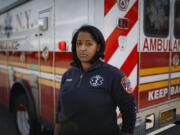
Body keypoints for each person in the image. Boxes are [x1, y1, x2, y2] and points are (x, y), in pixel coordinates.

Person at [53, 25, 136, 135]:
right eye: (79, 44)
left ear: (98, 47)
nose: (82, 48)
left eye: (88, 44)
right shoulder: (67, 75)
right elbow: (60, 109)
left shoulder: (115, 75)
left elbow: (129, 108)